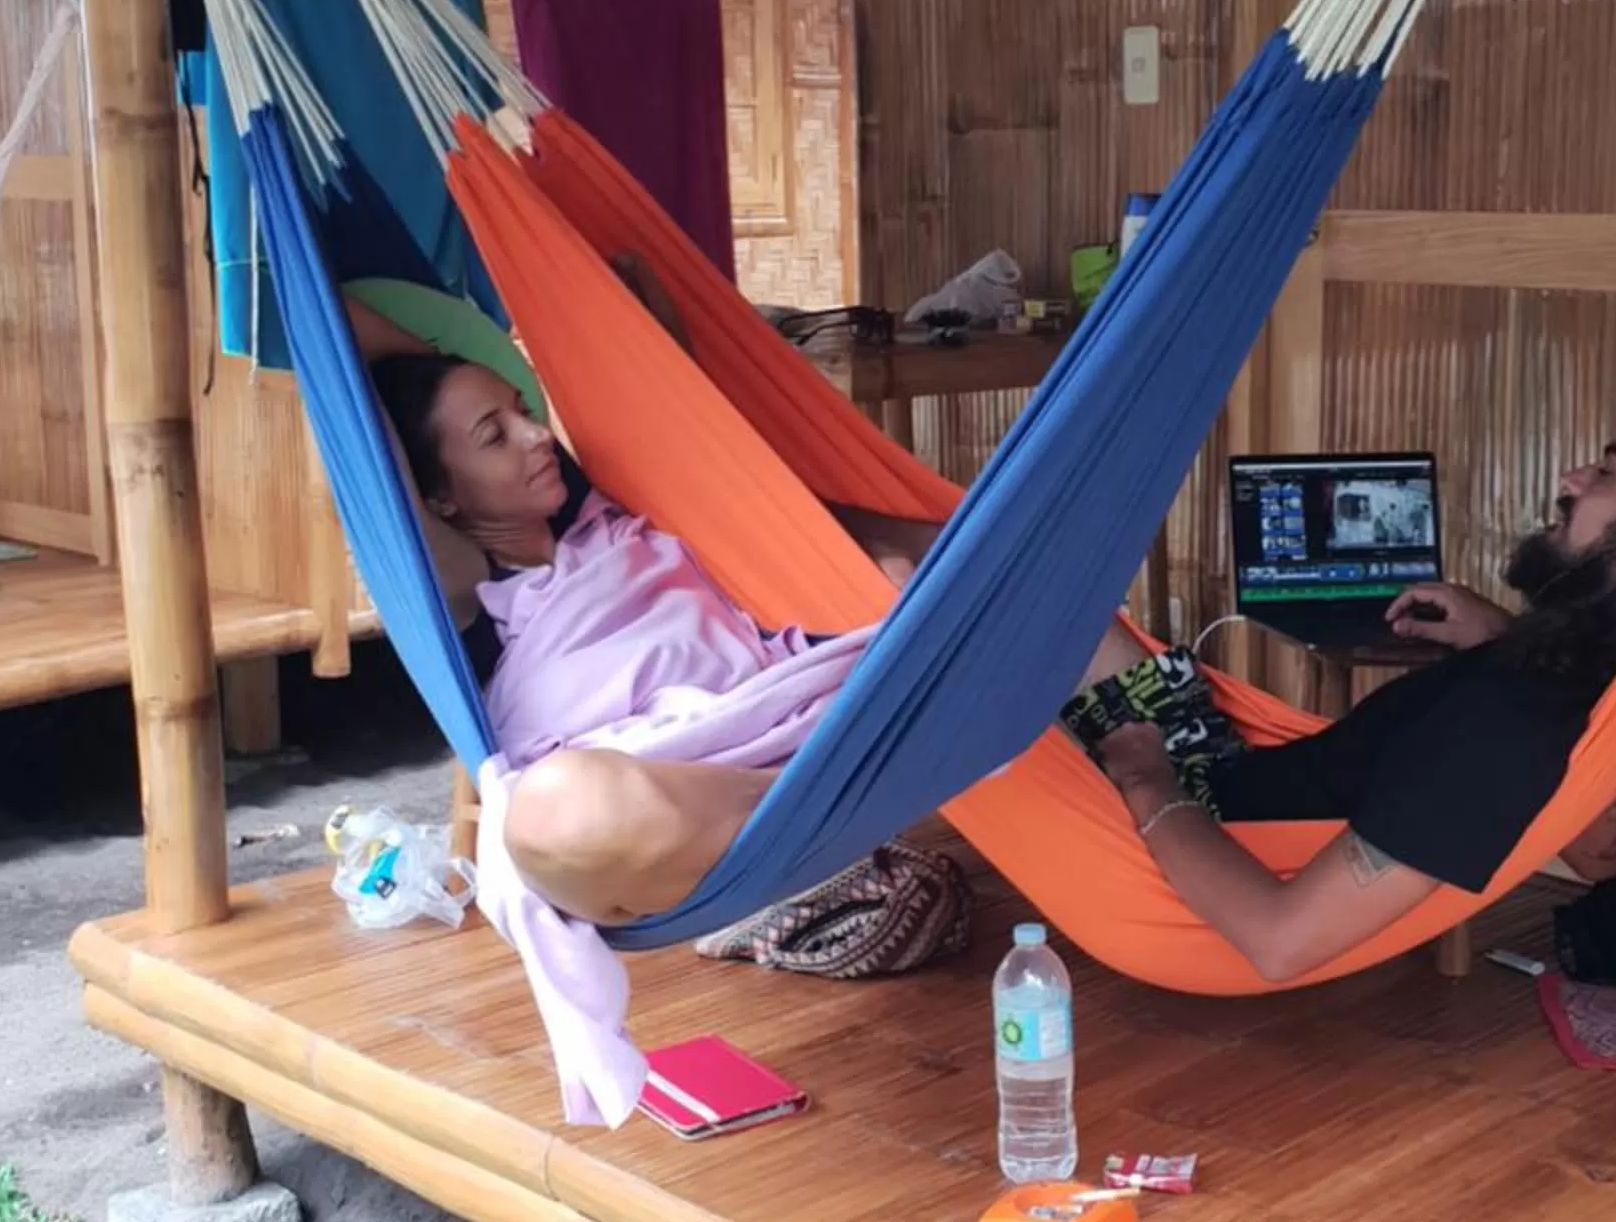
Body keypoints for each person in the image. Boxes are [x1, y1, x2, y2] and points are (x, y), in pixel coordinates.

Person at [368, 348, 1141, 934]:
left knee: (1036, 594)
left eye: (523, 408)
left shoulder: (613, 512)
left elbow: (638, 299)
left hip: (792, 713)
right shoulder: (470, 576)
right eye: (495, 436)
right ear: (439, 497)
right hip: (654, 799)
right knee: (553, 808)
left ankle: (1186, 771)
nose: (539, 435)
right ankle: (847, 786)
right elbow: (362, 408)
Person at [1092, 391, 1616, 982]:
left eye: (1606, 471)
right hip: (1230, 771)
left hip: (1205, 825)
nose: (1572, 479)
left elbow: (1278, 940)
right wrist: (1498, 637)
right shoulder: (1596, 674)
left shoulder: (1508, 723)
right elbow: (1604, 855)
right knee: (1053, 619)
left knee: (1016, 628)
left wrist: (1145, 777)